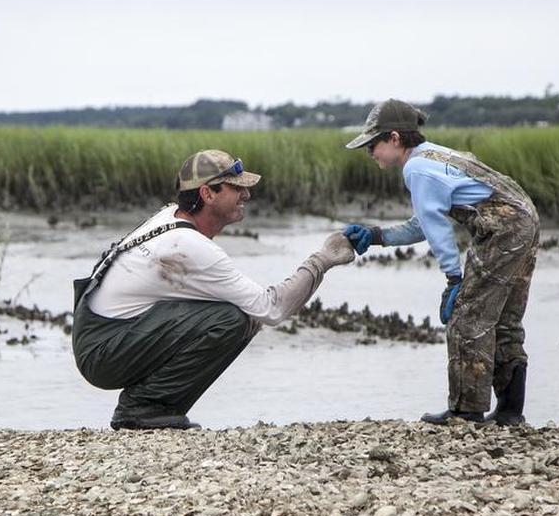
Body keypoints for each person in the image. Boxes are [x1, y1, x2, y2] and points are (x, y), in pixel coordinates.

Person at [72, 149, 355, 430]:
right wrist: (322, 260)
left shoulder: (169, 215)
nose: (247, 195)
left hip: (97, 337)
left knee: (231, 311)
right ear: (208, 194)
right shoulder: (189, 245)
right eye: (237, 188)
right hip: (102, 352)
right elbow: (272, 308)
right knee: (235, 319)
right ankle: (143, 408)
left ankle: (153, 407)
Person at [342, 99, 539, 426]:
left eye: (372, 144)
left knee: (467, 316)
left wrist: (453, 279)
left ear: (394, 138)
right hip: (524, 220)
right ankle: (509, 412)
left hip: (502, 229)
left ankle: (465, 411)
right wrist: (376, 236)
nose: (369, 152)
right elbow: (423, 222)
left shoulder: (415, 168)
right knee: (504, 319)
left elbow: (436, 228)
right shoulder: (434, 155)